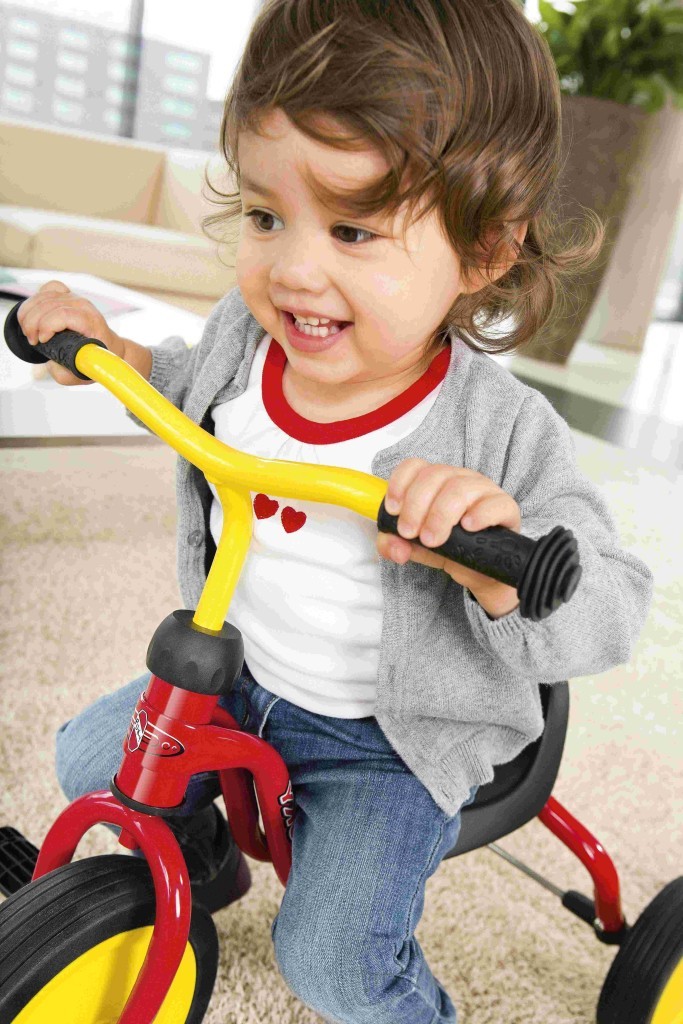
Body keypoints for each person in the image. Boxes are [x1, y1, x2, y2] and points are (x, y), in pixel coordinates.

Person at [19, 1, 654, 1020]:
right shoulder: (247, 336)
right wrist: (117, 357)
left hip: (387, 741)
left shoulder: (497, 428)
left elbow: (611, 603)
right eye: (268, 218)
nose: (292, 269)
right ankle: (205, 864)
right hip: (243, 680)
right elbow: (195, 390)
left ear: (485, 249)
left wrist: (499, 562)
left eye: (352, 228)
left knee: (330, 959)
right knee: (88, 762)